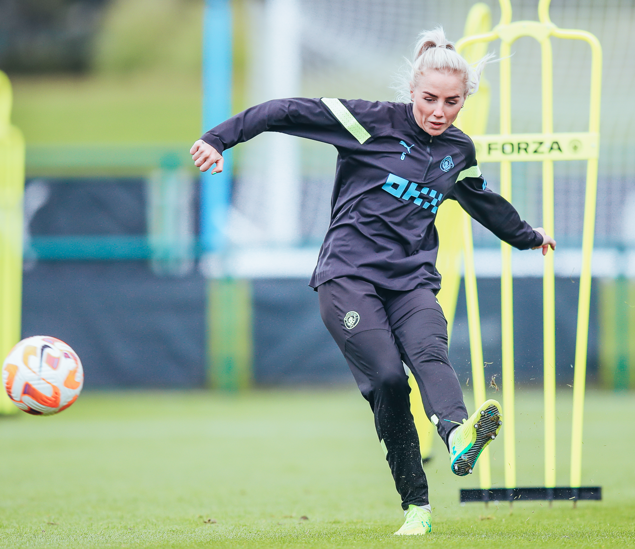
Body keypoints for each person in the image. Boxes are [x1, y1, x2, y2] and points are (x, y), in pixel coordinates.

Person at [190, 28, 556, 535]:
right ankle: (417, 506)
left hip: (411, 281)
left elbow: (482, 200)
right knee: (387, 379)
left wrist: (527, 236)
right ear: (412, 91)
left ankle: (458, 435)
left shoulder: (458, 151)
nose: (439, 111)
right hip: (348, 278)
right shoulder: (369, 122)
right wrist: (218, 138)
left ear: (464, 100)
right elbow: (284, 111)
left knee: (431, 352)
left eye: (452, 102)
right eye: (430, 99)